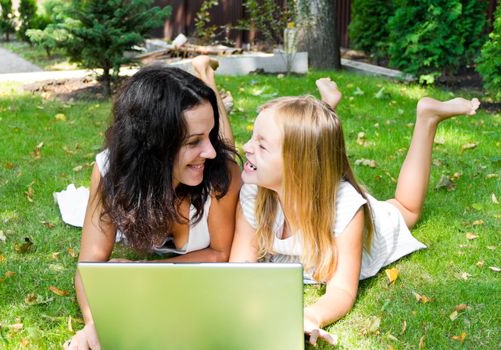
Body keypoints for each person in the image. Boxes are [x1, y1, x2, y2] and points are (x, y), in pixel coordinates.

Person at [229, 78, 480, 346]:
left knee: (406, 207)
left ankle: (427, 117)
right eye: (252, 138)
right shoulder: (254, 193)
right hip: (311, 188)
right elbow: (239, 270)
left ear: (296, 166)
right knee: (313, 143)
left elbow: (341, 290)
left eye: (261, 145)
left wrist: (310, 315)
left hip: (368, 223)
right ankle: (327, 106)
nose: (246, 147)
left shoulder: (345, 208)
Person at [66, 57, 242, 350]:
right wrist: (94, 323)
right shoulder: (112, 171)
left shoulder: (221, 176)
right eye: (192, 141)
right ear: (154, 144)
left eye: (206, 137)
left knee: (225, 153)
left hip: (220, 177)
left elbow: (220, 253)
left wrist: (144, 271)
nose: (208, 150)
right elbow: (90, 265)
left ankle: (206, 75)